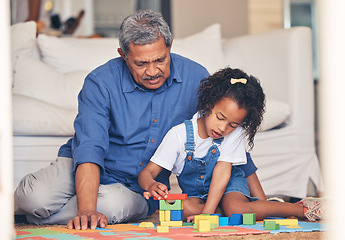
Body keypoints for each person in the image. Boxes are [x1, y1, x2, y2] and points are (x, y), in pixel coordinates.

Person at [14, 10, 265, 230]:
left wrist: (258, 197)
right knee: (32, 198)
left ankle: (42, 217)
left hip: (136, 187)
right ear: (123, 55)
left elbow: (226, 129)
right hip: (84, 166)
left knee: (110, 207)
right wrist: (87, 208)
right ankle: (47, 211)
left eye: (160, 59)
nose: (153, 71)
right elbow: (90, 148)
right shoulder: (100, 83)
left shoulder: (196, 78)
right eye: (141, 63)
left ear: (170, 46)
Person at [138, 67, 324, 222]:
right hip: (198, 194)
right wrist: (151, 185)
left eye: (233, 124)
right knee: (176, 211)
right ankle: (236, 210)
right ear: (208, 105)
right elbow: (147, 173)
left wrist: (206, 215)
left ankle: (303, 209)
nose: (223, 128)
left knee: (235, 208)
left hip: (228, 186)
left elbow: (222, 173)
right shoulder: (178, 135)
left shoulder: (232, 133)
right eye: (220, 117)